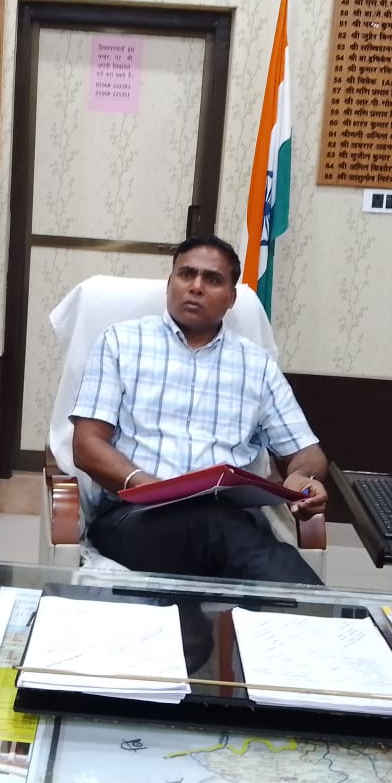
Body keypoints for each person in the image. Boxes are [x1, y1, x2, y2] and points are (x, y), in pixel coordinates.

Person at [70, 235, 329, 585]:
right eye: (186, 274)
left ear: (231, 298)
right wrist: (149, 486)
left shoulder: (256, 365)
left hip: (229, 519)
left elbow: (306, 451)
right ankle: (315, 608)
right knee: (223, 530)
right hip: (136, 517)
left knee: (222, 525)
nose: (195, 287)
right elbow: (87, 444)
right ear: (169, 284)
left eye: (213, 279)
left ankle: (293, 610)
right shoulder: (120, 343)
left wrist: (302, 476)